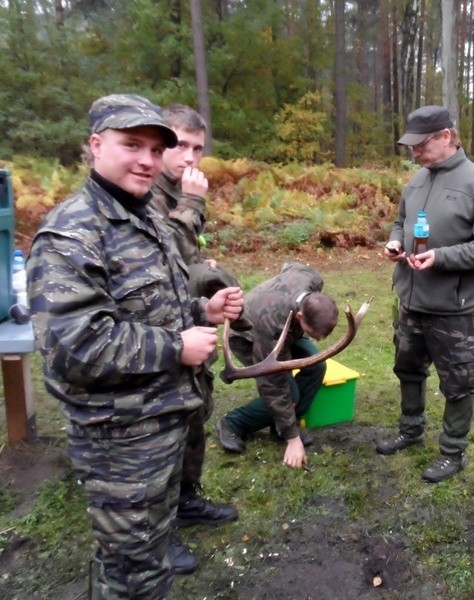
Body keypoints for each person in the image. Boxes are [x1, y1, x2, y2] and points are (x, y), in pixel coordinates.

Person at [26, 94, 244, 598]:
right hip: (120, 441)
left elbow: (153, 306)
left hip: (163, 422)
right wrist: (175, 346)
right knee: (133, 578)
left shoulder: (145, 218)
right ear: (96, 146)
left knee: (143, 563)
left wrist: (201, 313)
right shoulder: (71, 234)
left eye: (154, 148)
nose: (147, 160)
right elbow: (73, 348)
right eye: (132, 146)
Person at [376, 105, 474, 484]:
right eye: (411, 146)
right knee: (408, 369)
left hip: (453, 308)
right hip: (410, 300)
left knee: (458, 382)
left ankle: (453, 450)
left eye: (420, 144)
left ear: (446, 137)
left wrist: (442, 257)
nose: (414, 152)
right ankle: (410, 429)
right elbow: (402, 220)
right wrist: (395, 241)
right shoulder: (417, 180)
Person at [149, 104, 239, 530]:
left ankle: (187, 501)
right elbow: (158, 255)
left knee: (194, 416)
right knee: (163, 431)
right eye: (179, 144)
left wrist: (202, 265)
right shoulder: (145, 191)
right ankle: (159, 524)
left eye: (197, 148)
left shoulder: (175, 192)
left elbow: (181, 257)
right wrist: (192, 203)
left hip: (188, 318)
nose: (189, 157)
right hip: (156, 334)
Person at [215, 262, 338, 468]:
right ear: (300, 316)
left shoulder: (313, 279)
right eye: (312, 334)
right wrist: (293, 438)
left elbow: (289, 266)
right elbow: (272, 385)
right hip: (251, 336)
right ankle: (233, 423)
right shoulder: (271, 324)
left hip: (288, 330)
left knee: (316, 364)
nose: (317, 339)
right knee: (288, 393)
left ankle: (280, 426)